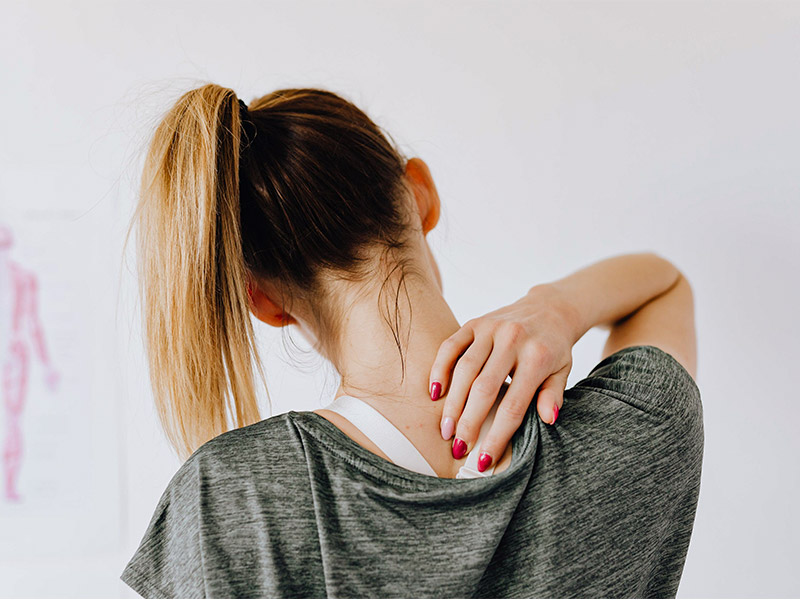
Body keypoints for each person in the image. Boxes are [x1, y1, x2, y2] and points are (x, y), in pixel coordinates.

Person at [120, 84, 703, 598]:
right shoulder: (635, 427)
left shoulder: (235, 499)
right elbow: (664, 283)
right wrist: (559, 307)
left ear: (264, 301)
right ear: (420, 193)